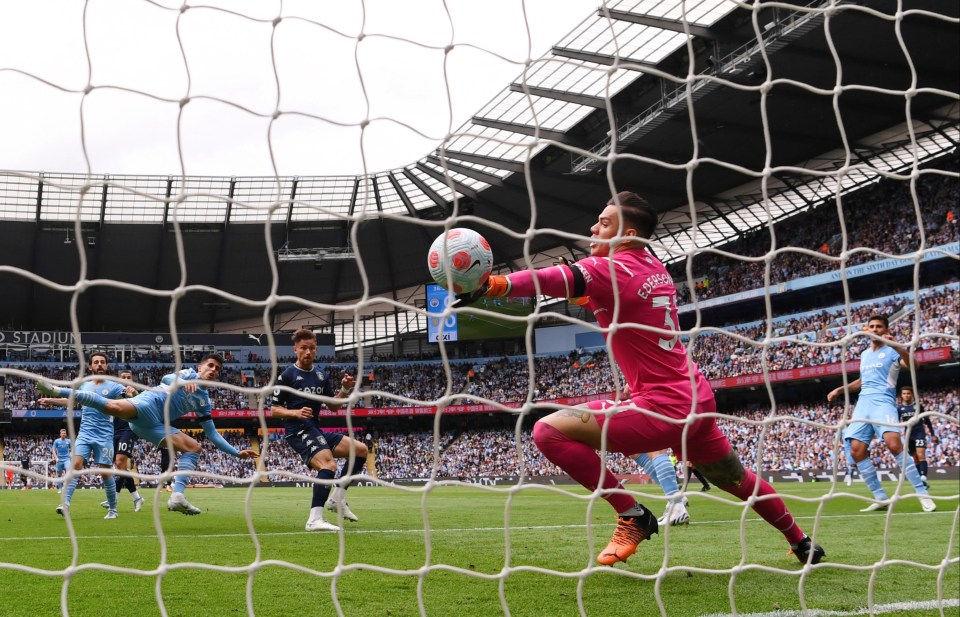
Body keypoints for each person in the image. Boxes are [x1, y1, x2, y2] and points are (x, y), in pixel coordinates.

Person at [458, 192, 825, 566]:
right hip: (696, 401)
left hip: (663, 407)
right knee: (738, 480)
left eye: (604, 222)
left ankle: (632, 515)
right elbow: (623, 299)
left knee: (547, 431)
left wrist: (494, 285)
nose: (593, 227)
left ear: (628, 234)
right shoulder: (653, 266)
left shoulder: (609, 268)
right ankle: (802, 542)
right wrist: (588, 299)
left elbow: (552, 278)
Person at [38, 353, 258, 515]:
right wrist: (185, 381)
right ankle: (58, 390)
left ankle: (177, 496)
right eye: (210, 365)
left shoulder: (204, 401)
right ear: (200, 368)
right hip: (148, 403)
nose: (213, 370)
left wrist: (236, 453)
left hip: (153, 425)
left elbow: (212, 434)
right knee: (113, 408)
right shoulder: (189, 374)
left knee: (194, 447)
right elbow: (165, 380)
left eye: (217, 369)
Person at [827, 316, 936, 513]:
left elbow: (914, 366)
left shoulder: (892, 350)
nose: (875, 329)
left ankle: (922, 492)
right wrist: (839, 390)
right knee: (856, 451)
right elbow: (862, 381)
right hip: (863, 404)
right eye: (872, 326)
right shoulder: (864, 354)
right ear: (867, 330)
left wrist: (896, 345)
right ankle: (880, 497)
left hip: (883, 403)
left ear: (885, 329)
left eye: (879, 327)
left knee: (894, 444)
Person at [270, 328, 368, 532]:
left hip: (315, 429)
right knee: (328, 466)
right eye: (303, 348)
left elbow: (333, 406)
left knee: (361, 450)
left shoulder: (321, 375)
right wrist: (295, 413)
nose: (308, 352)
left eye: (312, 348)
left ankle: (337, 500)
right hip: (297, 431)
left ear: (316, 350)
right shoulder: (287, 375)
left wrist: (345, 389)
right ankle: (314, 519)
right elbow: (274, 410)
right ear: (295, 349)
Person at [48, 352, 126, 518]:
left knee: (105, 472)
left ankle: (113, 509)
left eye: (102, 362)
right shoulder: (84, 385)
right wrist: (50, 400)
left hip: (104, 435)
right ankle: (66, 503)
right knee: (75, 466)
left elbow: (131, 399)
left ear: (106, 366)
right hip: (84, 434)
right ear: (90, 366)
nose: (99, 364)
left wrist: (132, 391)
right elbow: (72, 401)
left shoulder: (115, 386)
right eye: (96, 362)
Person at [100, 370, 145, 512]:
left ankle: (117, 498)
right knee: (120, 467)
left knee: (120, 463)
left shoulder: (136, 394)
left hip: (129, 430)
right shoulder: (114, 393)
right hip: (113, 432)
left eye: (129, 377)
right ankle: (134, 498)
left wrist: (134, 396)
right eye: (123, 377)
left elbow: (143, 408)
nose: (126, 379)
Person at [896, 386, 936, 489]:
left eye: (908, 393)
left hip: (919, 433)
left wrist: (932, 434)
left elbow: (927, 420)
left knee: (921, 455)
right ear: (901, 395)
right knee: (915, 459)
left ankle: (923, 478)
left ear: (912, 394)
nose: (906, 395)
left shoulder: (918, 406)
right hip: (909, 435)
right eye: (904, 393)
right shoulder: (899, 409)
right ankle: (921, 481)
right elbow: (897, 422)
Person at [51, 428, 71, 494]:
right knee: (59, 475)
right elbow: (53, 450)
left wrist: (71, 455)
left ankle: (66, 486)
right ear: (60, 434)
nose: (63, 434)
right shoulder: (57, 441)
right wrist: (56, 457)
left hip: (67, 459)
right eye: (62, 433)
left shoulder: (69, 441)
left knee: (68, 471)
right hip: (59, 459)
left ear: (66, 434)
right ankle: (60, 487)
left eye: (64, 433)